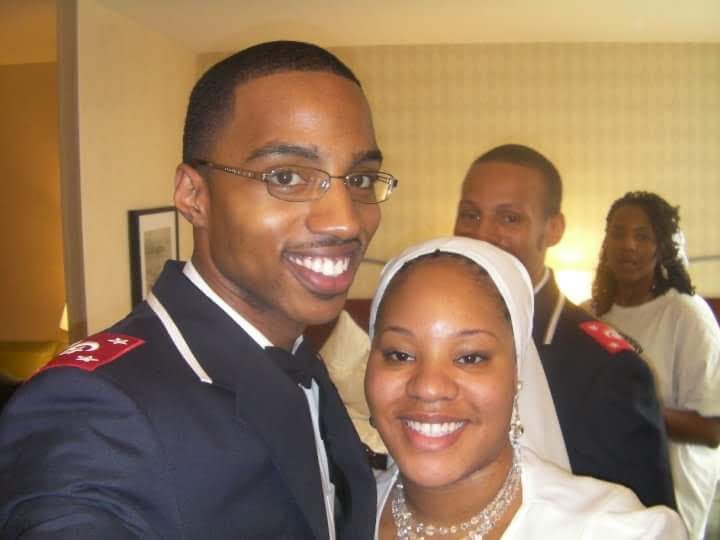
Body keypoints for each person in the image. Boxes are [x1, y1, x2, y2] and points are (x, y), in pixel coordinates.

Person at [0, 41, 400, 539]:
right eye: (286, 176)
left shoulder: (296, 357)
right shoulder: (96, 407)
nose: (345, 222)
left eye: (360, 178)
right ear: (194, 195)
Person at [366, 236, 685, 540]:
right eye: (399, 355)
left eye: (470, 358)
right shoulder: (344, 515)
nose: (428, 387)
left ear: (518, 372)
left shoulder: (611, 531)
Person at [450, 144, 675, 508]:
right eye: (470, 214)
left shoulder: (608, 369)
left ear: (553, 229)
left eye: (510, 218)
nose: (482, 234)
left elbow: (647, 521)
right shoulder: (439, 335)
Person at [586, 191, 720, 539]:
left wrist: (635, 410)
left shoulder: (686, 315)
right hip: (602, 490)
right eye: (618, 233)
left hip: (669, 497)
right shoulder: (586, 316)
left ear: (661, 248)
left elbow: (712, 429)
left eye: (642, 235)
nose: (628, 244)